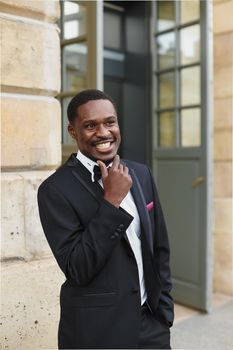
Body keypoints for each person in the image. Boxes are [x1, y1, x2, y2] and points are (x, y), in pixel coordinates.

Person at [37, 89, 174, 349]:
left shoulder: (141, 173)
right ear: (73, 131)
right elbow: (77, 268)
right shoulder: (54, 190)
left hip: (151, 326)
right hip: (96, 333)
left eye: (110, 122)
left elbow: (159, 248)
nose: (103, 133)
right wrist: (112, 202)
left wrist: (164, 313)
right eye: (90, 125)